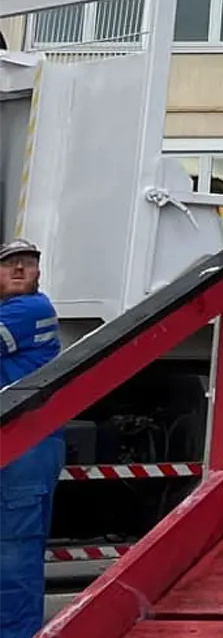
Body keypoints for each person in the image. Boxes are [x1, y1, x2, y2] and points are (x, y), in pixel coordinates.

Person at [0, 241, 63, 638]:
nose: (20, 270)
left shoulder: (30, 310)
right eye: (10, 265)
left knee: (15, 553)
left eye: (28, 264)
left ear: (40, 274)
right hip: (17, 445)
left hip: (26, 447)